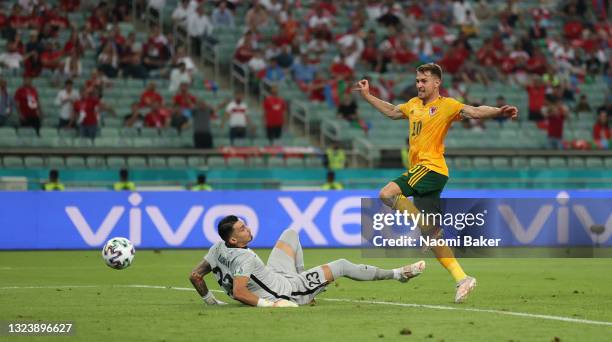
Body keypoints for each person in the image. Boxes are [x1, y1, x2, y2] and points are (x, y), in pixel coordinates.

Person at [354, 63, 518, 303]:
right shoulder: (412, 105)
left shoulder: (447, 106)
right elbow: (391, 111)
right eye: (418, 80)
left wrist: (498, 112)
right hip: (424, 173)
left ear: (436, 83)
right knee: (432, 238)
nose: (419, 84)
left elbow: (473, 111)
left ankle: (428, 228)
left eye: (424, 81)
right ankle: (463, 278)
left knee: (386, 194)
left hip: (431, 168)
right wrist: (368, 96)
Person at [189, 215, 425, 307]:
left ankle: (307, 285)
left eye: (245, 224)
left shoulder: (217, 247)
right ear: (233, 238)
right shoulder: (246, 258)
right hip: (287, 291)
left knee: (290, 233)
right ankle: (398, 274)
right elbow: (240, 291)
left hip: (276, 275)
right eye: (242, 229)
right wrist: (270, 305)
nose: (248, 229)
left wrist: (211, 302)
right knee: (341, 264)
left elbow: (195, 275)